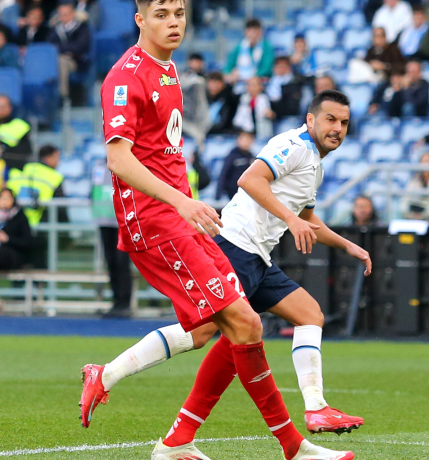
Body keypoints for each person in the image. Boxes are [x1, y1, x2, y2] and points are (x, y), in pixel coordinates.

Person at [79, 0, 353, 460]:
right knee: (239, 325)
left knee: (228, 327)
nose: (173, 22)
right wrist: (182, 202)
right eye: (161, 14)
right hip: (153, 220)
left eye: (179, 13)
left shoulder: (169, 72)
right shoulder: (126, 77)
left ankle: (173, 435)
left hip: (180, 214)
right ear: (140, 20)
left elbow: (162, 153)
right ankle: (296, 450)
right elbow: (119, 159)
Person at [87, 91, 372, 437]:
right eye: (330, 119)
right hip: (235, 247)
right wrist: (291, 221)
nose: (338, 128)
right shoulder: (294, 145)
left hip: (259, 258)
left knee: (309, 315)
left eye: (344, 123)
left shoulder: (316, 165)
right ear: (311, 120)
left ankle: (316, 409)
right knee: (202, 334)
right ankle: (107, 376)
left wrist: (346, 246)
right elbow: (249, 180)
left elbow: (306, 215)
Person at [90, 160, 134, 318]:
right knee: (111, 262)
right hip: (104, 220)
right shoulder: (99, 165)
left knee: (122, 262)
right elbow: (94, 191)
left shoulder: (127, 163)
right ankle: (116, 302)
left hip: (122, 222)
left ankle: (124, 303)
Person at [217, 129, 256, 200]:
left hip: (248, 194)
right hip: (233, 194)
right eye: (244, 139)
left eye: (249, 139)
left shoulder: (252, 158)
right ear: (238, 140)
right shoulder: (232, 156)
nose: (246, 142)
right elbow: (223, 175)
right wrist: (218, 195)